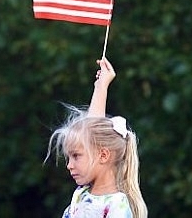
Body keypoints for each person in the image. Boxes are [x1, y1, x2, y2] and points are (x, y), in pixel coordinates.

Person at [46, 57, 148, 218]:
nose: (69, 165)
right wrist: (101, 86)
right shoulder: (82, 194)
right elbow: (92, 130)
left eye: (76, 156)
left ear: (103, 155)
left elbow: (91, 137)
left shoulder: (117, 207)